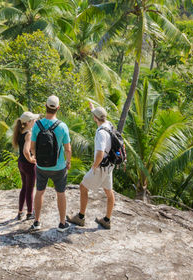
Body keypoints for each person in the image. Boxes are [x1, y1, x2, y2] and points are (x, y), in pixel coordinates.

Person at [25, 95, 71, 230]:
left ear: (45, 106)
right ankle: (62, 223)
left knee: (39, 192)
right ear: (58, 108)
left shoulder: (37, 125)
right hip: (59, 167)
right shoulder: (62, 126)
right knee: (61, 193)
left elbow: (32, 147)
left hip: (41, 166)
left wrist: (36, 158)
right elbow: (68, 149)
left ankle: (37, 222)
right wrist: (68, 162)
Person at [69, 105, 116, 229]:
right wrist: (93, 108)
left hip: (101, 166)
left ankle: (80, 217)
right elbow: (98, 115)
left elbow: (100, 153)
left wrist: (94, 166)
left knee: (83, 186)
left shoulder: (101, 133)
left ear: (95, 118)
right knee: (109, 191)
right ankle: (107, 220)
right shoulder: (109, 125)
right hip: (109, 165)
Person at [12, 111, 38, 220]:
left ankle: (20, 211)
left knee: (24, 187)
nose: (35, 121)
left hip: (21, 163)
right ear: (28, 122)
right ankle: (29, 213)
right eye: (33, 120)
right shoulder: (29, 134)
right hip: (28, 165)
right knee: (30, 189)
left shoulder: (20, 132)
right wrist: (31, 159)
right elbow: (26, 151)